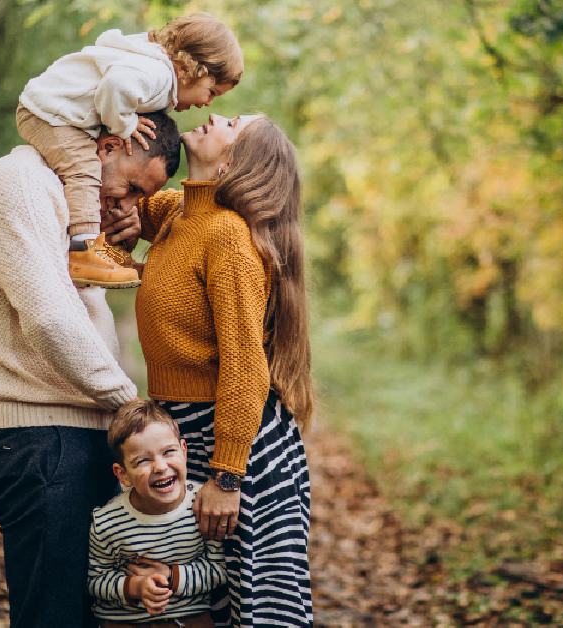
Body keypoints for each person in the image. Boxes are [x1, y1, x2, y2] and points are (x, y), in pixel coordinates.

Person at [0, 110, 181, 628]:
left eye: (140, 199)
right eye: (129, 186)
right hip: (39, 438)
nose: (126, 203)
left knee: (93, 614)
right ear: (108, 145)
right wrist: (131, 405)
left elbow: (82, 301)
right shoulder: (20, 182)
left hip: (75, 434)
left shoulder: (71, 204)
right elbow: (47, 320)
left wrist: (114, 240)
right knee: (53, 616)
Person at [128, 112, 315, 627]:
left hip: (236, 449)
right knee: (192, 607)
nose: (212, 115)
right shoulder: (180, 216)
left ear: (237, 161)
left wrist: (226, 476)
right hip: (187, 435)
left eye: (232, 122)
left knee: (254, 612)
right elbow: (133, 197)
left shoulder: (228, 237)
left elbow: (246, 364)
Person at [17, 14, 243, 288]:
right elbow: (115, 85)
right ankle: (84, 252)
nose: (208, 103)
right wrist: (125, 125)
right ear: (188, 69)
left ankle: (97, 250)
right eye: (212, 91)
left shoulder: (154, 71)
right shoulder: (157, 75)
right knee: (85, 171)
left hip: (53, 111)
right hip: (48, 113)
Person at [88, 400, 227, 628]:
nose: (160, 467)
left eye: (168, 452)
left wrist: (172, 576)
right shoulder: (107, 521)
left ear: (183, 451)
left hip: (190, 618)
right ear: (123, 474)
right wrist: (135, 587)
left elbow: (218, 569)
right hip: (125, 621)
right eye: (143, 460)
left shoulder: (202, 506)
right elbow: (95, 580)